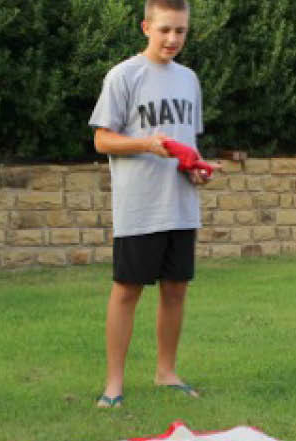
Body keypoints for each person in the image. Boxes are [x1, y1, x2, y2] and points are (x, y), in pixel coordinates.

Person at [88, 0, 217, 408]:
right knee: (127, 291)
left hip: (180, 203)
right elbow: (101, 139)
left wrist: (195, 168)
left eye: (180, 31)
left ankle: (166, 373)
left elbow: (187, 143)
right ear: (146, 27)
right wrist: (147, 143)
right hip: (140, 207)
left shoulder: (189, 80)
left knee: (176, 290)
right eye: (165, 30)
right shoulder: (123, 76)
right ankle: (113, 385)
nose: (173, 39)